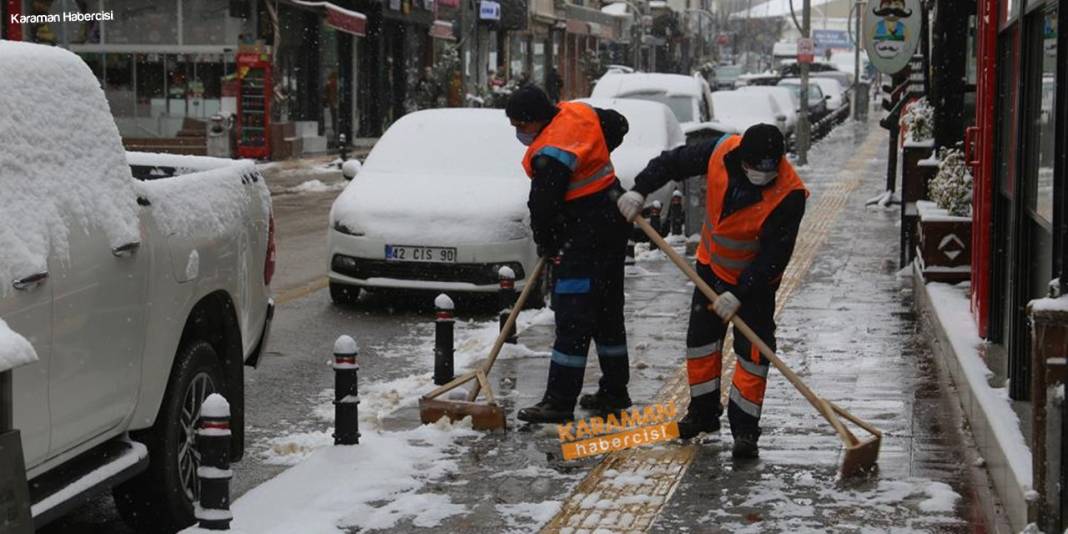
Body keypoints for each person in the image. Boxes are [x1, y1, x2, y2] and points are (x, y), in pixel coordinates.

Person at [616, 124, 808, 458]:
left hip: (754, 286)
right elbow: (673, 162)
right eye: (755, 168)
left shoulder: (789, 193)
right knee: (701, 344)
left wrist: (741, 292)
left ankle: (745, 431)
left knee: (753, 354)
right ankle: (703, 414)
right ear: (742, 158)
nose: (763, 175)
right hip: (710, 268)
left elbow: (774, 256)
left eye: (770, 168)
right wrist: (640, 190)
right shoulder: (720, 151)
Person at [506, 85, 632, 424]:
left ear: (533, 121)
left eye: (519, 124)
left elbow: (543, 208)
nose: (518, 132)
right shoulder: (577, 112)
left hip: (582, 237)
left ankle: (559, 402)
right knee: (607, 313)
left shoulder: (550, 152)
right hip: (611, 220)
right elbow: (618, 123)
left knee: (573, 319)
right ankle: (615, 391)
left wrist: (547, 243)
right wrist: (596, 154)